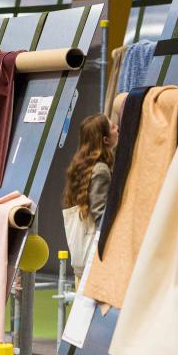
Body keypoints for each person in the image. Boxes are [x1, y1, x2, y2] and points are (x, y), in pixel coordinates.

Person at [62, 114, 119, 279]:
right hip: (97, 259)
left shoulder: (81, 166)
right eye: (113, 127)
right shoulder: (101, 169)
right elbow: (100, 212)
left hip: (84, 258)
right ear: (105, 140)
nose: (117, 128)